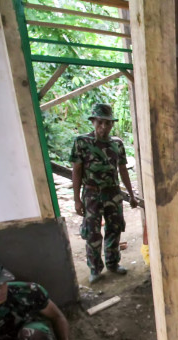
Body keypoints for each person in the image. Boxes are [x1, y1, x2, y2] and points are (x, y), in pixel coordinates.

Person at [71, 103, 138, 284]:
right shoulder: (82, 142)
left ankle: (113, 263)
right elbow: (76, 171)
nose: (103, 127)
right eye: (100, 122)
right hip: (92, 194)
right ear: (93, 121)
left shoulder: (117, 144)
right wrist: (77, 199)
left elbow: (123, 170)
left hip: (113, 193)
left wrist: (131, 194)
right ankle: (95, 268)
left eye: (107, 123)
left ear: (112, 125)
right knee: (92, 233)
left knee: (114, 229)